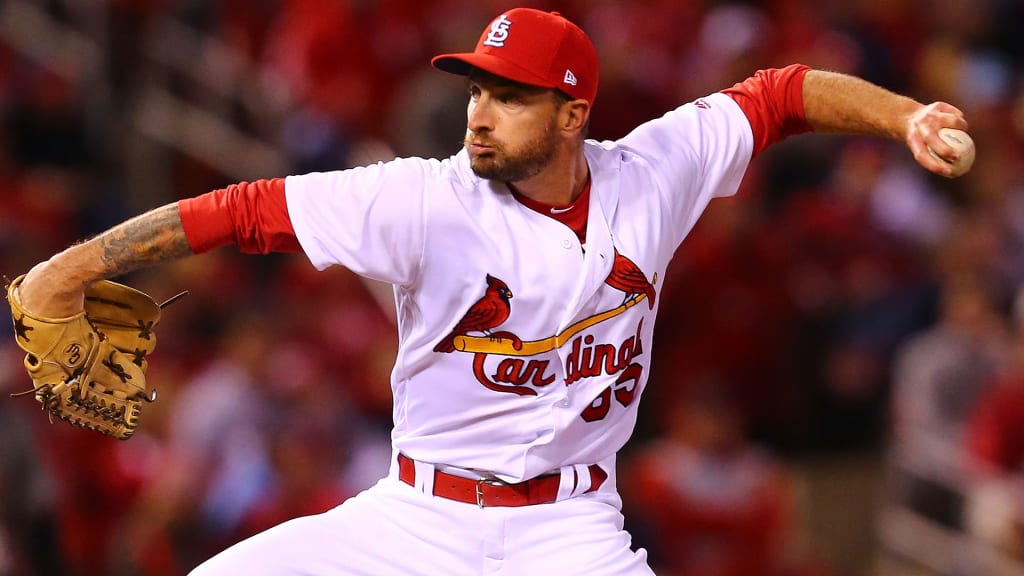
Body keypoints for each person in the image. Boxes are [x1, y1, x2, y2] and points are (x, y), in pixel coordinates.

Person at [11, 7, 972, 575]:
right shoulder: (422, 198)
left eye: (509, 96)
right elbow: (244, 211)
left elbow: (782, 93)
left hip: (568, 530)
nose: (480, 113)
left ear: (571, 113)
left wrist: (905, 116)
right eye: (476, 89)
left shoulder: (653, 172)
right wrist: (67, 269)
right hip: (412, 519)